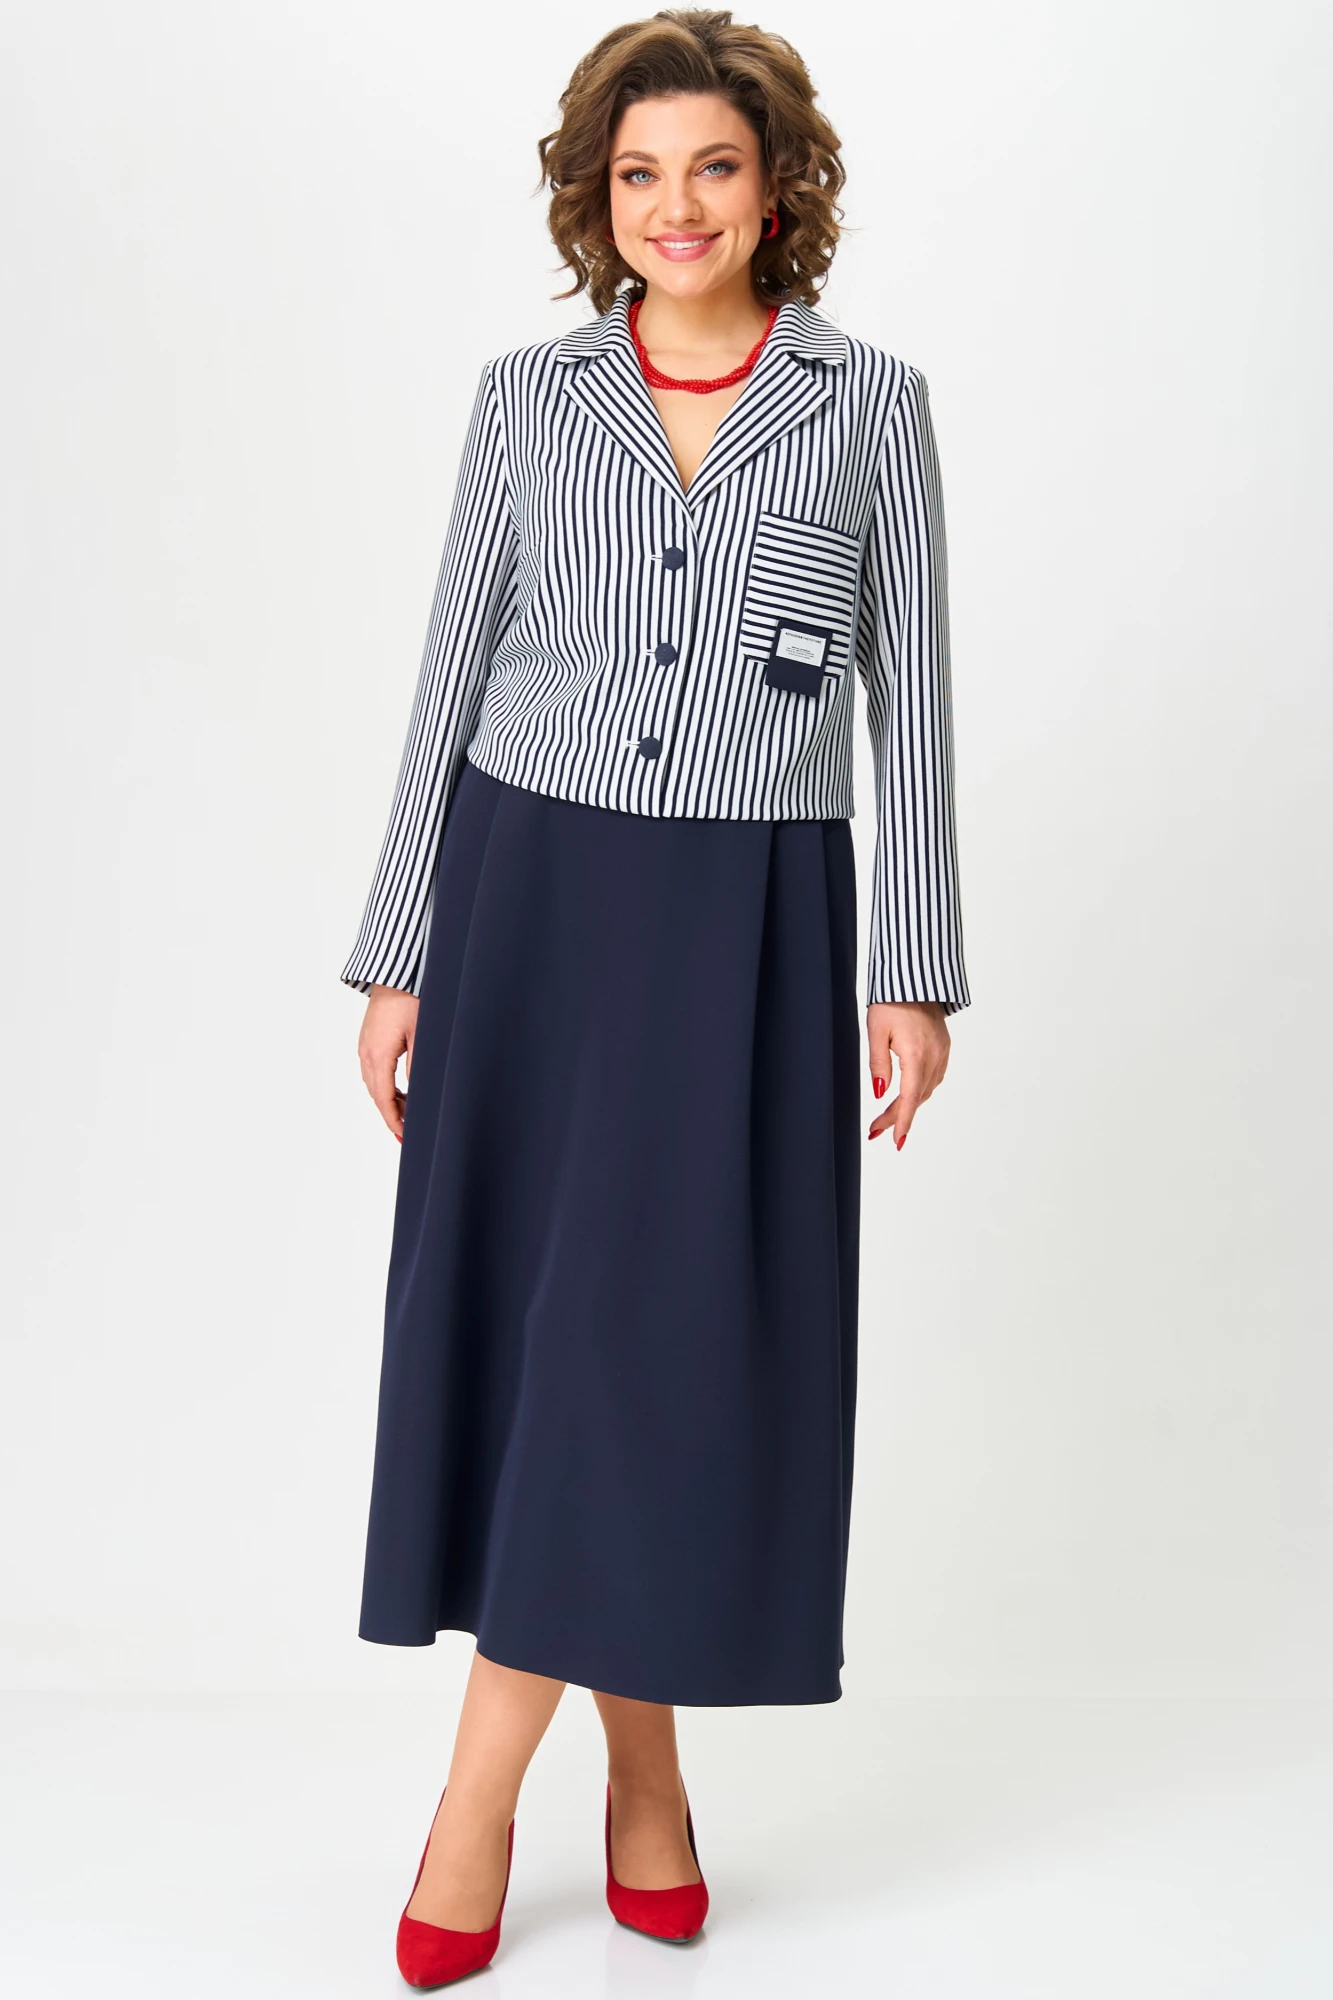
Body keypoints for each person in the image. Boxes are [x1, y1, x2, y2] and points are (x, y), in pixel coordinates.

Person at [340, 8, 969, 1986]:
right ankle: (621, 1783)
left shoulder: (872, 409)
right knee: (562, 1352)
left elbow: (912, 700)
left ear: (777, 189)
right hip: (531, 905)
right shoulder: (526, 402)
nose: (674, 205)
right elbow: (449, 671)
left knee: (660, 1355)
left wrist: (914, 968)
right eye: (637, 173)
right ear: (594, 198)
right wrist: (400, 946)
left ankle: (497, 1797)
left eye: (711, 166)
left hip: (747, 922)